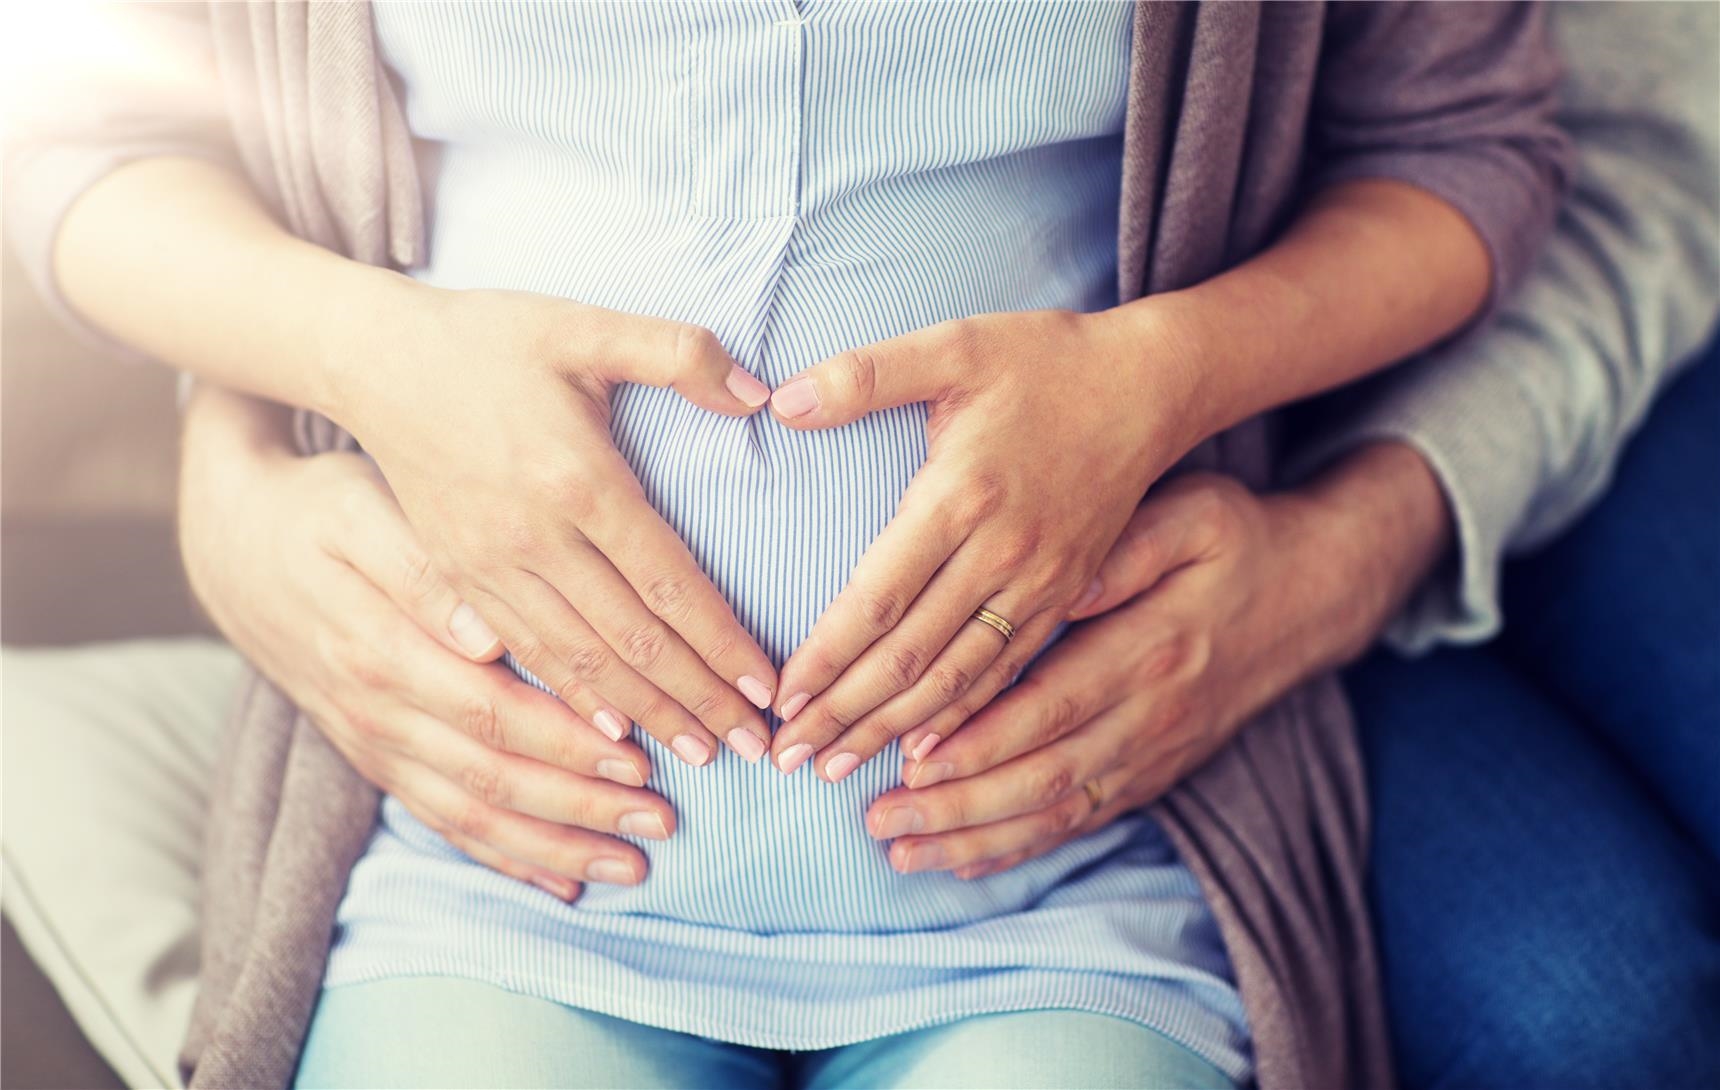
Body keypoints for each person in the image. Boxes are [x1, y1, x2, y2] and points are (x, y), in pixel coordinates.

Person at [6, 3, 1569, 1088]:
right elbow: (76, 140)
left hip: (1071, 886)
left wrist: (1167, 374)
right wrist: (362, 352)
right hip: (483, 875)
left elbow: (1469, 147)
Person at [823, 3, 1719, 1086]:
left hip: (1567, 276)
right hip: (1229, 412)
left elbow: (1547, 152)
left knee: (1605, 1013)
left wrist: (1347, 546)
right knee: (1593, 1008)